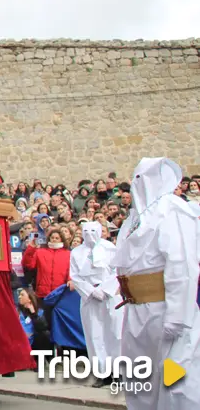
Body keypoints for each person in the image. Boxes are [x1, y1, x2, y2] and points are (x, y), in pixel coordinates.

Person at [112, 157, 200, 409]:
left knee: (176, 384)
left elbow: (182, 264)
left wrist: (177, 315)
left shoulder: (174, 210)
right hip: (136, 312)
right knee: (140, 383)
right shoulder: (135, 219)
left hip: (166, 310)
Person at [69, 220, 122, 388]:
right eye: (86, 230)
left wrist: (105, 289)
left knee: (114, 333)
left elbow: (116, 271)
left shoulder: (110, 249)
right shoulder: (77, 252)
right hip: (89, 297)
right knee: (94, 334)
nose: (89, 233)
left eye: (93, 230)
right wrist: (91, 291)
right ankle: (102, 372)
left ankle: (118, 372)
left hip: (109, 296)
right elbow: (75, 276)